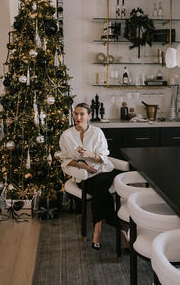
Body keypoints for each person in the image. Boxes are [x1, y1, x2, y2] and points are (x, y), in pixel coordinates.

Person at [59, 102, 129, 250]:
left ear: (89, 116)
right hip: (84, 177)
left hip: (103, 171)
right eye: (76, 114)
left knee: (100, 188)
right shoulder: (67, 135)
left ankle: (98, 230)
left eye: (82, 114)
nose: (78, 117)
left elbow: (104, 156)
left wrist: (89, 154)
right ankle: (120, 231)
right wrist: (82, 165)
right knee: (102, 192)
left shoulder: (97, 132)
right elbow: (64, 159)